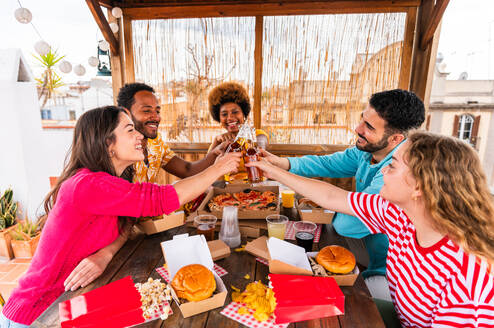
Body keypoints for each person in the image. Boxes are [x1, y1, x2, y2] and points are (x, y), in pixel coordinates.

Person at [0, 106, 241, 327]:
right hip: (37, 314)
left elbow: (126, 223)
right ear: (108, 144)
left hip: (72, 302)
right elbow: (160, 200)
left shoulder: (111, 183)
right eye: (130, 130)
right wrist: (217, 169)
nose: (140, 136)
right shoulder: (87, 185)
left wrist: (105, 254)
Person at [247, 131, 494, 328]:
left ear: (419, 187)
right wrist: (274, 172)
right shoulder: (398, 215)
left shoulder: (466, 279)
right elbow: (332, 196)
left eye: (393, 166)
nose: (383, 170)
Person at [260, 89, 425, 299]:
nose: (358, 129)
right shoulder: (369, 150)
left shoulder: (398, 176)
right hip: (361, 241)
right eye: (362, 120)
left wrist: (324, 208)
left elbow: (346, 223)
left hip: (387, 274)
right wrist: (283, 163)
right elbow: (329, 163)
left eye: (369, 127)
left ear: (395, 139)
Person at [117, 83, 227, 183]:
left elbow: (187, 170)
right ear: (126, 113)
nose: (156, 117)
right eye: (147, 111)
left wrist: (215, 152)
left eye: (157, 111)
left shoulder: (156, 143)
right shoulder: (116, 150)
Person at [207, 82, 269, 182]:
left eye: (235, 112)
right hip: (227, 191)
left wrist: (239, 140)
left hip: (256, 188)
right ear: (219, 118)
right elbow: (207, 170)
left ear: (244, 114)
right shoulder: (220, 142)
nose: (230, 118)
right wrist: (215, 142)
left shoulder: (257, 135)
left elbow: (259, 149)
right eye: (224, 114)